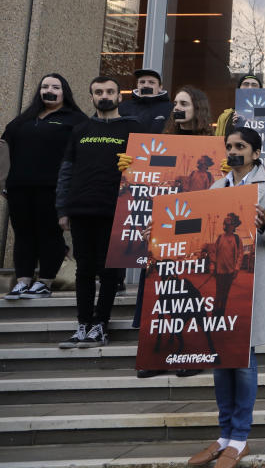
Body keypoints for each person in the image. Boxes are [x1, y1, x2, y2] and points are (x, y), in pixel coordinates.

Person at [187, 126, 265, 468]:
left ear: (255, 153)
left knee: (244, 361)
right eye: (229, 145)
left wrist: (262, 225)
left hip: (253, 283)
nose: (233, 150)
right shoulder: (217, 186)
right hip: (219, 282)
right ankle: (223, 436)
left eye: (240, 146)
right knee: (220, 359)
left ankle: (240, 437)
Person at [126, 85, 217, 378]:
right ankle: (158, 357)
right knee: (161, 292)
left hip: (193, 231)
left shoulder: (214, 145)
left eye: (183, 103)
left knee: (185, 293)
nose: (177, 107)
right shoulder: (163, 142)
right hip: (164, 231)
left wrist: (226, 172)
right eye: (175, 103)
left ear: (197, 108)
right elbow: (155, 185)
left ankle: (192, 352)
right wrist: (130, 169)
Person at [56, 76, 144, 348]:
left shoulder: (134, 127)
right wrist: (62, 208)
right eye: (98, 92)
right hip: (81, 208)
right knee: (83, 270)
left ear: (120, 96)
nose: (104, 96)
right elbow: (66, 171)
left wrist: (137, 163)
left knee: (108, 271)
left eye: (109, 91)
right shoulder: (80, 129)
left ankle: (100, 325)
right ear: (91, 96)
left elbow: (153, 167)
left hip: (116, 208)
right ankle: (82, 325)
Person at [2, 74, 87, 300]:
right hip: (19, 188)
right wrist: (4, 183)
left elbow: (83, 156)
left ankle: (45, 282)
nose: (49, 90)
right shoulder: (24, 119)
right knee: (23, 235)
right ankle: (23, 281)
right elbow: (4, 147)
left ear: (64, 92)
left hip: (53, 189)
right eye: (45, 86)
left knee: (50, 235)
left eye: (55, 87)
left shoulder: (76, 120)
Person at [118, 68, 174, 134]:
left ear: (160, 87)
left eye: (151, 82)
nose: (146, 85)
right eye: (142, 82)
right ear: (137, 85)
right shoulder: (123, 107)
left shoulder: (171, 109)